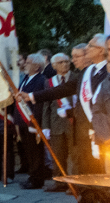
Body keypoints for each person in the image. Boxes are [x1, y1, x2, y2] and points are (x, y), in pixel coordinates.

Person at [27, 39, 103, 176]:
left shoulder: (103, 72)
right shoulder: (86, 73)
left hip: (97, 129)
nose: (72, 61)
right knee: (83, 166)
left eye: (76, 57)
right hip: (79, 129)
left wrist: (70, 112)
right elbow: (62, 90)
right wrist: (31, 96)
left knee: (94, 169)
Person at [17, 53, 50, 189]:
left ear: (37, 66)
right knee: (28, 151)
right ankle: (32, 176)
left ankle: (37, 179)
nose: (25, 64)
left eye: (29, 62)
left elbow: (40, 103)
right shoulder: (25, 79)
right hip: (22, 120)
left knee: (36, 151)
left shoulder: (41, 80)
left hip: (33, 120)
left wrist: (37, 122)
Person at [42, 53, 74, 190]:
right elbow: (47, 105)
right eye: (60, 62)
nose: (65, 64)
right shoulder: (49, 82)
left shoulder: (77, 77)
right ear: (54, 65)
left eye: (66, 61)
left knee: (74, 156)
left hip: (73, 123)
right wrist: (45, 126)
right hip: (55, 125)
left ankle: (74, 184)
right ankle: (60, 182)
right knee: (58, 156)